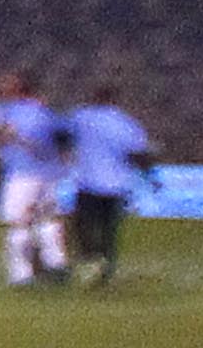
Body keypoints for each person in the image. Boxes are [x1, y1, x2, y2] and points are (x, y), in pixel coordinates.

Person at [61, 91, 151, 287]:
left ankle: (89, 258)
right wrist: (148, 175)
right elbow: (138, 152)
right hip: (117, 185)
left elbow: (62, 133)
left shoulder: (82, 116)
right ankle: (105, 269)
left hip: (89, 183)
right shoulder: (125, 122)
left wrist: (66, 153)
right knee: (109, 230)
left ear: (94, 99)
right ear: (114, 100)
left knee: (82, 225)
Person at [0, 75, 65, 286]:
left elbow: (0, 134)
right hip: (49, 175)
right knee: (46, 220)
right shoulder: (45, 113)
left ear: (17, 90)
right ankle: (55, 265)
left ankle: (21, 275)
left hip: (22, 175)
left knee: (17, 224)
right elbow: (60, 137)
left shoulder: (10, 112)